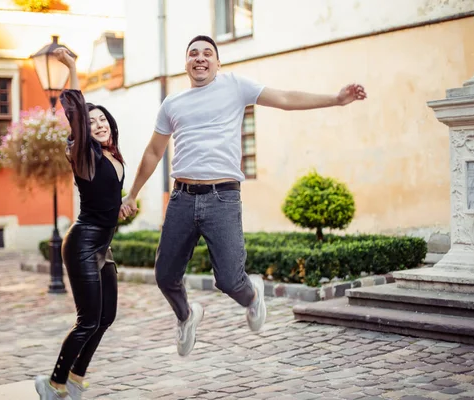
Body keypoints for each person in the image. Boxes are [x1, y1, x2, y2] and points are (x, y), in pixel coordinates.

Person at [120, 35, 367, 357]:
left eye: (208, 53)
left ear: (218, 62)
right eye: (193, 53)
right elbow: (154, 152)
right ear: (186, 63)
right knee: (165, 275)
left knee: (229, 279)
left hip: (222, 198)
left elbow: (286, 98)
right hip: (182, 198)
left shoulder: (235, 86)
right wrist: (133, 194)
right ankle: (186, 315)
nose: (200, 58)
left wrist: (335, 99)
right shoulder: (173, 104)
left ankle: (252, 297)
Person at [34, 47, 126, 400]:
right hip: (84, 243)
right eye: (94, 121)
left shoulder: (112, 158)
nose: (99, 124)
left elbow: (103, 199)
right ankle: (53, 383)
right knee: (88, 319)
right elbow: (75, 113)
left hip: (103, 245)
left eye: (103, 119)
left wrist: (120, 208)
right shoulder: (83, 153)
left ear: (111, 125)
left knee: (106, 317)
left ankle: (75, 377)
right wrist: (72, 69)